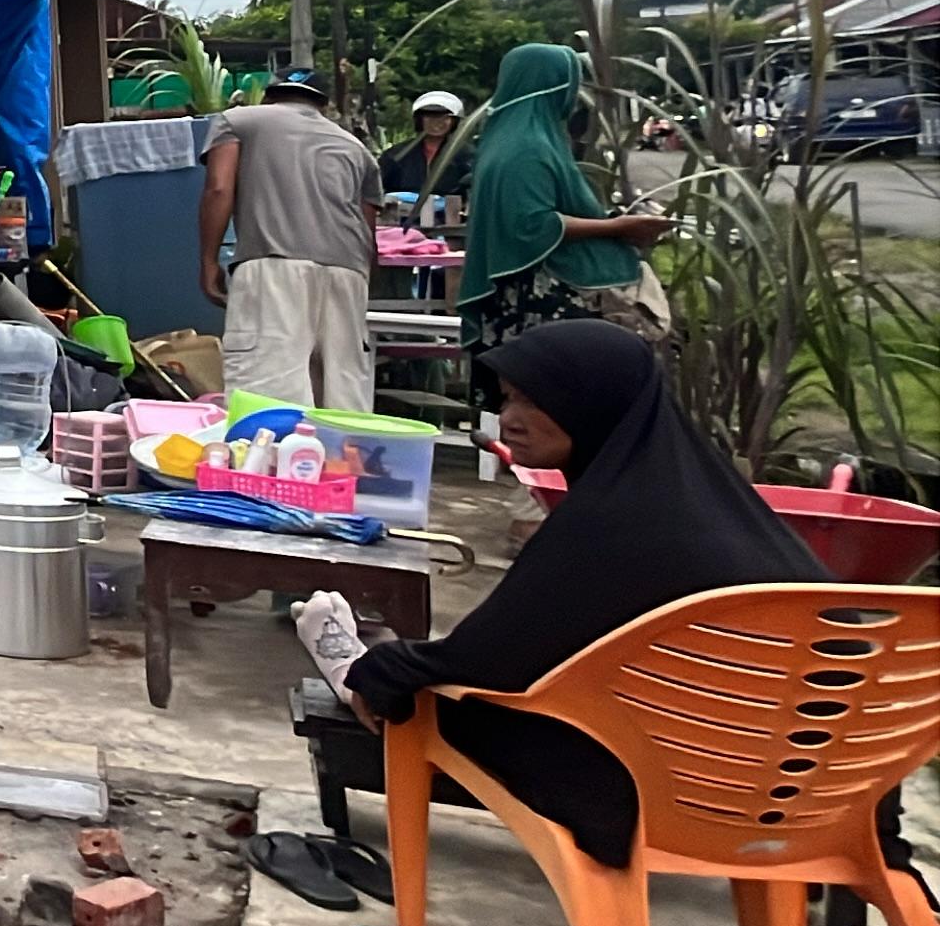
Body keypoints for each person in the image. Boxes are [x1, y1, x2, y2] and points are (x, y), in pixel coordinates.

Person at [345, 321, 822, 867]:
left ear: (594, 400)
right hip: (791, 795)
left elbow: (485, 660)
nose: (509, 420)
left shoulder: (607, 526)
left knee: (412, 689)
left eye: (533, 399)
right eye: (506, 400)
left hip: (654, 797)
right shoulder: (727, 510)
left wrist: (379, 668)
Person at [458, 42, 672, 379]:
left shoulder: (505, 137)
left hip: (519, 295)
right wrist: (617, 228)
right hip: (539, 301)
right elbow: (531, 224)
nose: (574, 96)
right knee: (550, 402)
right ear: (555, 85)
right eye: (571, 82)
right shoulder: (527, 147)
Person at [199, 67, 379, 411]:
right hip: (349, 274)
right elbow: (368, 234)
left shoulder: (238, 121)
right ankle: (343, 462)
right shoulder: (357, 149)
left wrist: (208, 262)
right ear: (323, 106)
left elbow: (219, 188)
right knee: (342, 398)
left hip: (273, 265)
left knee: (267, 394)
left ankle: (269, 463)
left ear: (269, 95)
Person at [379, 88, 473, 198]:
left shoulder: (467, 156)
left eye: (444, 117)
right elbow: (376, 188)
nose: (437, 123)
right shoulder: (395, 155)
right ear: (419, 120)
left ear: (454, 121)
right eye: (430, 116)